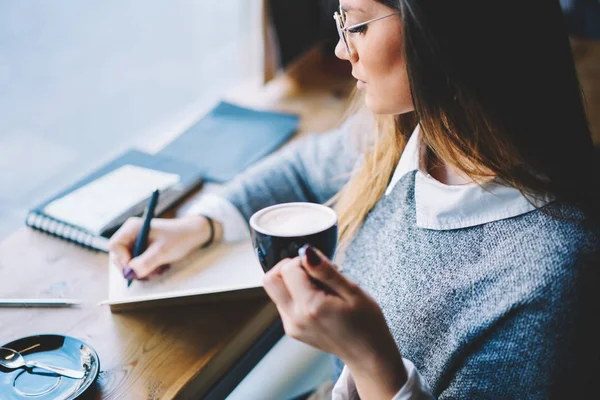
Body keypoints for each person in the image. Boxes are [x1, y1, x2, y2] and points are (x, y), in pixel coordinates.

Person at [108, 0, 600, 398]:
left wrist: (373, 363)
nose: (343, 51)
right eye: (340, 22)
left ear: (444, 30)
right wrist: (200, 226)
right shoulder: (412, 132)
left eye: (359, 24)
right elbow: (302, 168)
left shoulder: (550, 275)